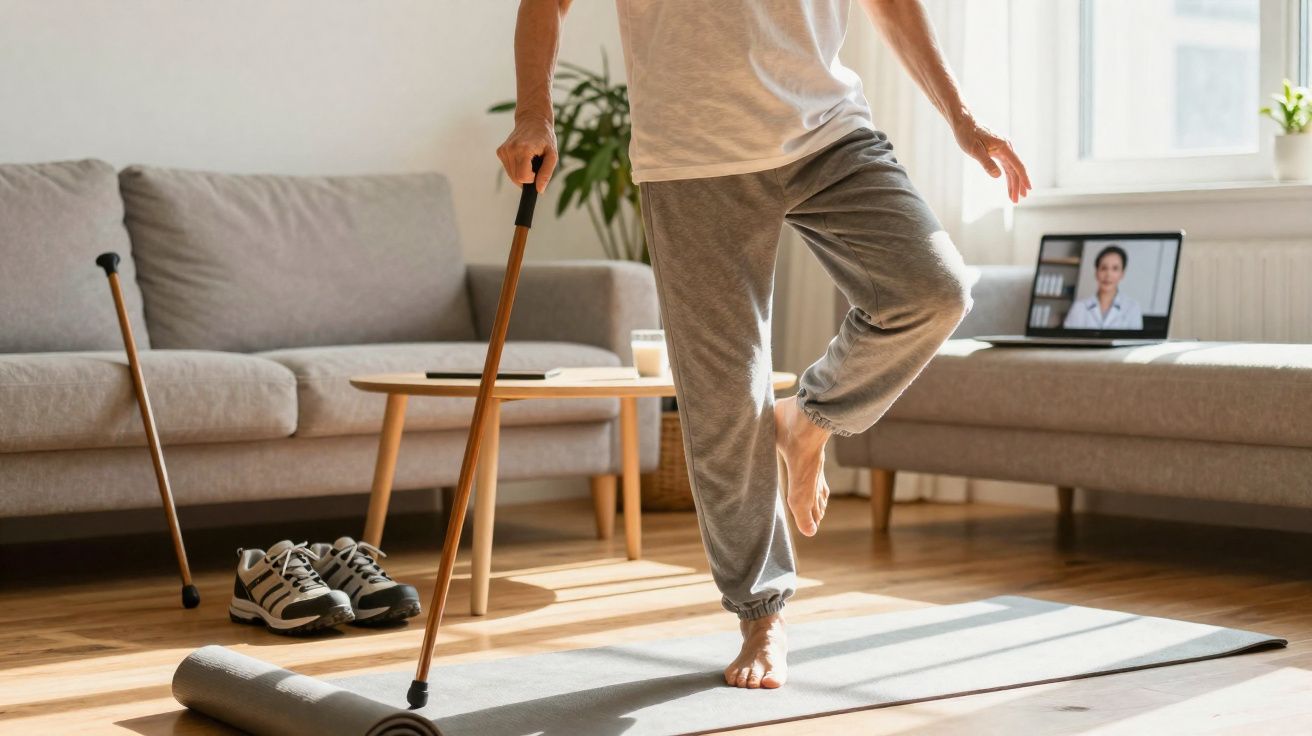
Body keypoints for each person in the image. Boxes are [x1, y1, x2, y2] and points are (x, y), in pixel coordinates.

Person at [495, 0, 1031, 691]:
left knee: (933, 289)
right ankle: (763, 614)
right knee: (725, 399)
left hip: (828, 133)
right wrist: (534, 112)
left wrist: (962, 118)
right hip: (691, 155)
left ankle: (807, 418)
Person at [1062, 245, 1144, 330]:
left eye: (1115, 269)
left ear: (1122, 274)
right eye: (1104, 268)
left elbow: (1134, 342)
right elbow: (1068, 340)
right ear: (1096, 273)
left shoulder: (1132, 308)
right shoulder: (1079, 307)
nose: (1108, 274)